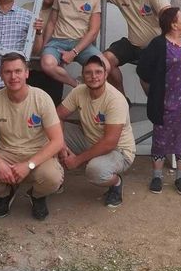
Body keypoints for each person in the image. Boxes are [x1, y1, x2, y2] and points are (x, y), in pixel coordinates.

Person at [0, 53, 63, 220]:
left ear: (27, 73)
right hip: (7, 153)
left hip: (37, 153)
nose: (13, 76)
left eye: (18, 71)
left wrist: (28, 165)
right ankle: (6, 193)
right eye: (7, 72)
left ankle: (36, 196)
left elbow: (57, 141)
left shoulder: (42, 98)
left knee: (52, 178)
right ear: (1, 75)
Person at [137, 7, 181, 195]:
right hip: (167, 102)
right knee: (161, 138)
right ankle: (157, 176)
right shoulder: (159, 44)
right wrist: (152, 94)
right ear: (174, 24)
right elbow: (143, 70)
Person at [57, 55, 135, 207]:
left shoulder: (115, 100)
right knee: (48, 134)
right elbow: (57, 116)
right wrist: (61, 146)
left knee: (95, 170)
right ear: (83, 75)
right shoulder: (79, 91)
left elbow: (109, 143)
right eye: (88, 73)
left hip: (119, 151)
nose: (93, 77)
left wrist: (77, 160)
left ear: (106, 74)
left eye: (98, 72)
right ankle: (55, 179)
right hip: (89, 140)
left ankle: (116, 183)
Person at [91, 0, 169, 103]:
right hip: (132, 44)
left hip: (154, 46)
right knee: (104, 60)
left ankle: (155, 107)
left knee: (145, 78)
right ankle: (122, 101)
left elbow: (167, 13)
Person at [41, 0, 107, 88]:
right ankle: (77, 85)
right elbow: (52, 22)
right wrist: (45, 46)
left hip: (81, 43)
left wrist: (73, 53)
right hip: (58, 41)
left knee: (105, 66)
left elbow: (93, 31)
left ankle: (88, 90)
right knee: (47, 64)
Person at [22, 0, 64, 106]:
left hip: (53, 71)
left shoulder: (60, 11)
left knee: (52, 108)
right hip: (30, 69)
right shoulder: (26, 9)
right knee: (29, 108)